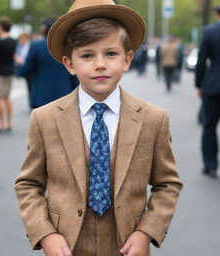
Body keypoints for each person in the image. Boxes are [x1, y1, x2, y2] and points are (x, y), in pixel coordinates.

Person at [15, 1, 182, 256]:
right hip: (67, 246)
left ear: (127, 60)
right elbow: (28, 183)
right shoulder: (45, 119)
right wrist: (45, 233)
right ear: (70, 64)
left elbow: (167, 183)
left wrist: (146, 231)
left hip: (128, 245)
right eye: (87, 55)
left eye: (111, 54)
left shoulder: (153, 119)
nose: (100, 64)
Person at [15, 18, 78, 109]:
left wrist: (19, 67)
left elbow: (26, 68)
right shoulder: (68, 45)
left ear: (43, 29)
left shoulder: (35, 45)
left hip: (41, 95)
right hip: (65, 93)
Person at [195, 6, 220, 178]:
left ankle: (210, 165)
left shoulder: (210, 32)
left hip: (213, 85)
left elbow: (202, 60)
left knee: (209, 126)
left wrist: (199, 85)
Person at [0, 17, 17, 133]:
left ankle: (1, 124)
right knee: (7, 97)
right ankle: (10, 122)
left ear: (0, 27)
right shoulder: (13, 41)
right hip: (9, 71)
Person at [15, 32, 33, 109]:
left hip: (30, 68)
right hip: (24, 68)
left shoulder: (31, 45)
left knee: (32, 86)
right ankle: (30, 103)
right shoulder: (19, 47)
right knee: (29, 86)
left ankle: (32, 102)